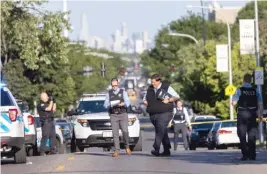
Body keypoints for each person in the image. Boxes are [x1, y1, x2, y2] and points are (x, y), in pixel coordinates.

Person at [143, 74, 179, 156]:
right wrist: (146, 102)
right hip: (153, 114)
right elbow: (144, 99)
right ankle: (167, 150)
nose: (153, 83)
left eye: (154, 82)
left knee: (160, 127)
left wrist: (169, 100)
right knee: (162, 130)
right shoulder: (150, 89)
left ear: (158, 81)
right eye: (152, 82)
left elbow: (177, 96)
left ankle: (156, 148)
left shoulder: (166, 87)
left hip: (166, 112)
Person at [232, 73, 263, 161]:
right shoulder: (256, 90)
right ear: (251, 81)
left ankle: (245, 155)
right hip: (252, 114)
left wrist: (235, 104)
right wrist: (260, 115)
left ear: (244, 80)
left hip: (242, 114)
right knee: (252, 135)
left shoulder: (239, 90)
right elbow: (260, 104)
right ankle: (252, 155)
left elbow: (234, 103)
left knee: (242, 135)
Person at [104, 78, 132, 157]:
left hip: (123, 114)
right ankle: (117, 150)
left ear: (118, 85)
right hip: (113, 115)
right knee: (115, 133)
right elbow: (105, 104)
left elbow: (128, 102)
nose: (114, 87)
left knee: (125, 131)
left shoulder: (123, 92)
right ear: (111, 86)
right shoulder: (108, 94)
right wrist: (110, 104)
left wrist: (123, 104)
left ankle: (127, 147)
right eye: (113, 86)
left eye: (116, 86)